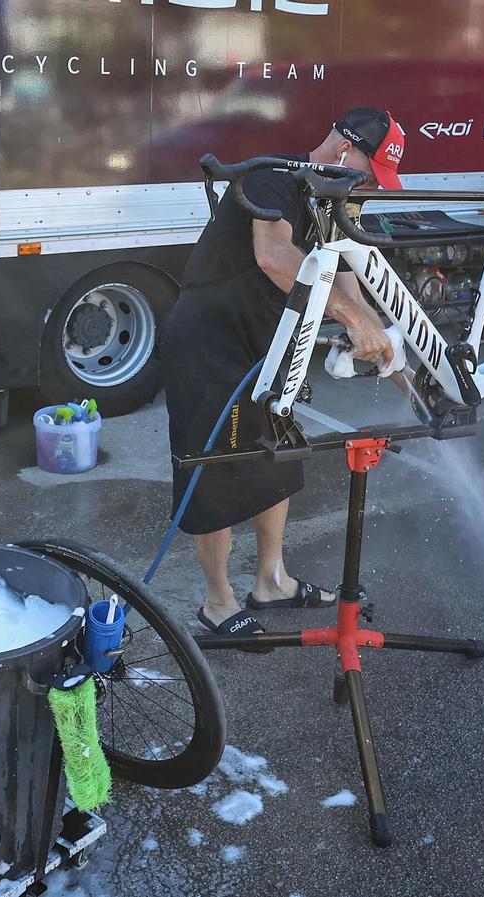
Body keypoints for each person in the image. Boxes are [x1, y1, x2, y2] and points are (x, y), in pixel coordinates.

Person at [159, 107, 404, 645]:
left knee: (279, 456)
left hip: (266, 344)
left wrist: (384, 348)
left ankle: (271, 582)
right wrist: (352, 318)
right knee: (215, 467)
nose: (366, 183)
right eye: (369, 168)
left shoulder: (331, 199)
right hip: (210, 340)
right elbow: (273, 256)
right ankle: (217, 604)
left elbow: (345, 272)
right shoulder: (273, 177)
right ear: (344, 147)